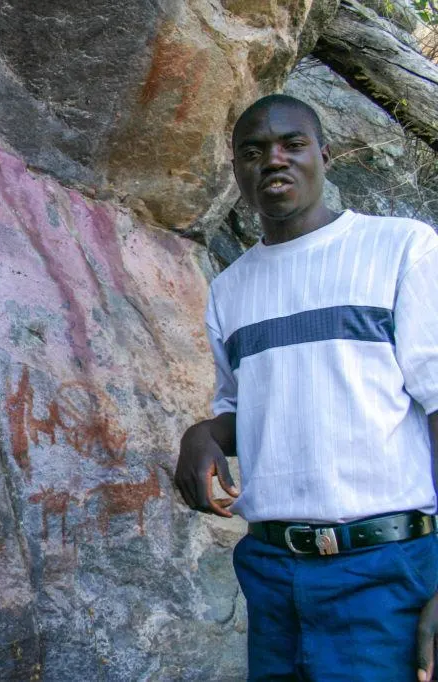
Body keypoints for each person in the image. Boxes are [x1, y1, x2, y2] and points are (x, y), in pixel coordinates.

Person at [174, 93, 438, 681]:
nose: (274, 160)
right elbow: (255, 410)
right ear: (237, 170)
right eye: (253, 151)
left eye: (292, 144)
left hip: (384, 571)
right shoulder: (230, 289)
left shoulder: (402, 248)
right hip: (271, 575)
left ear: (325, 153)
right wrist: (204, 433)